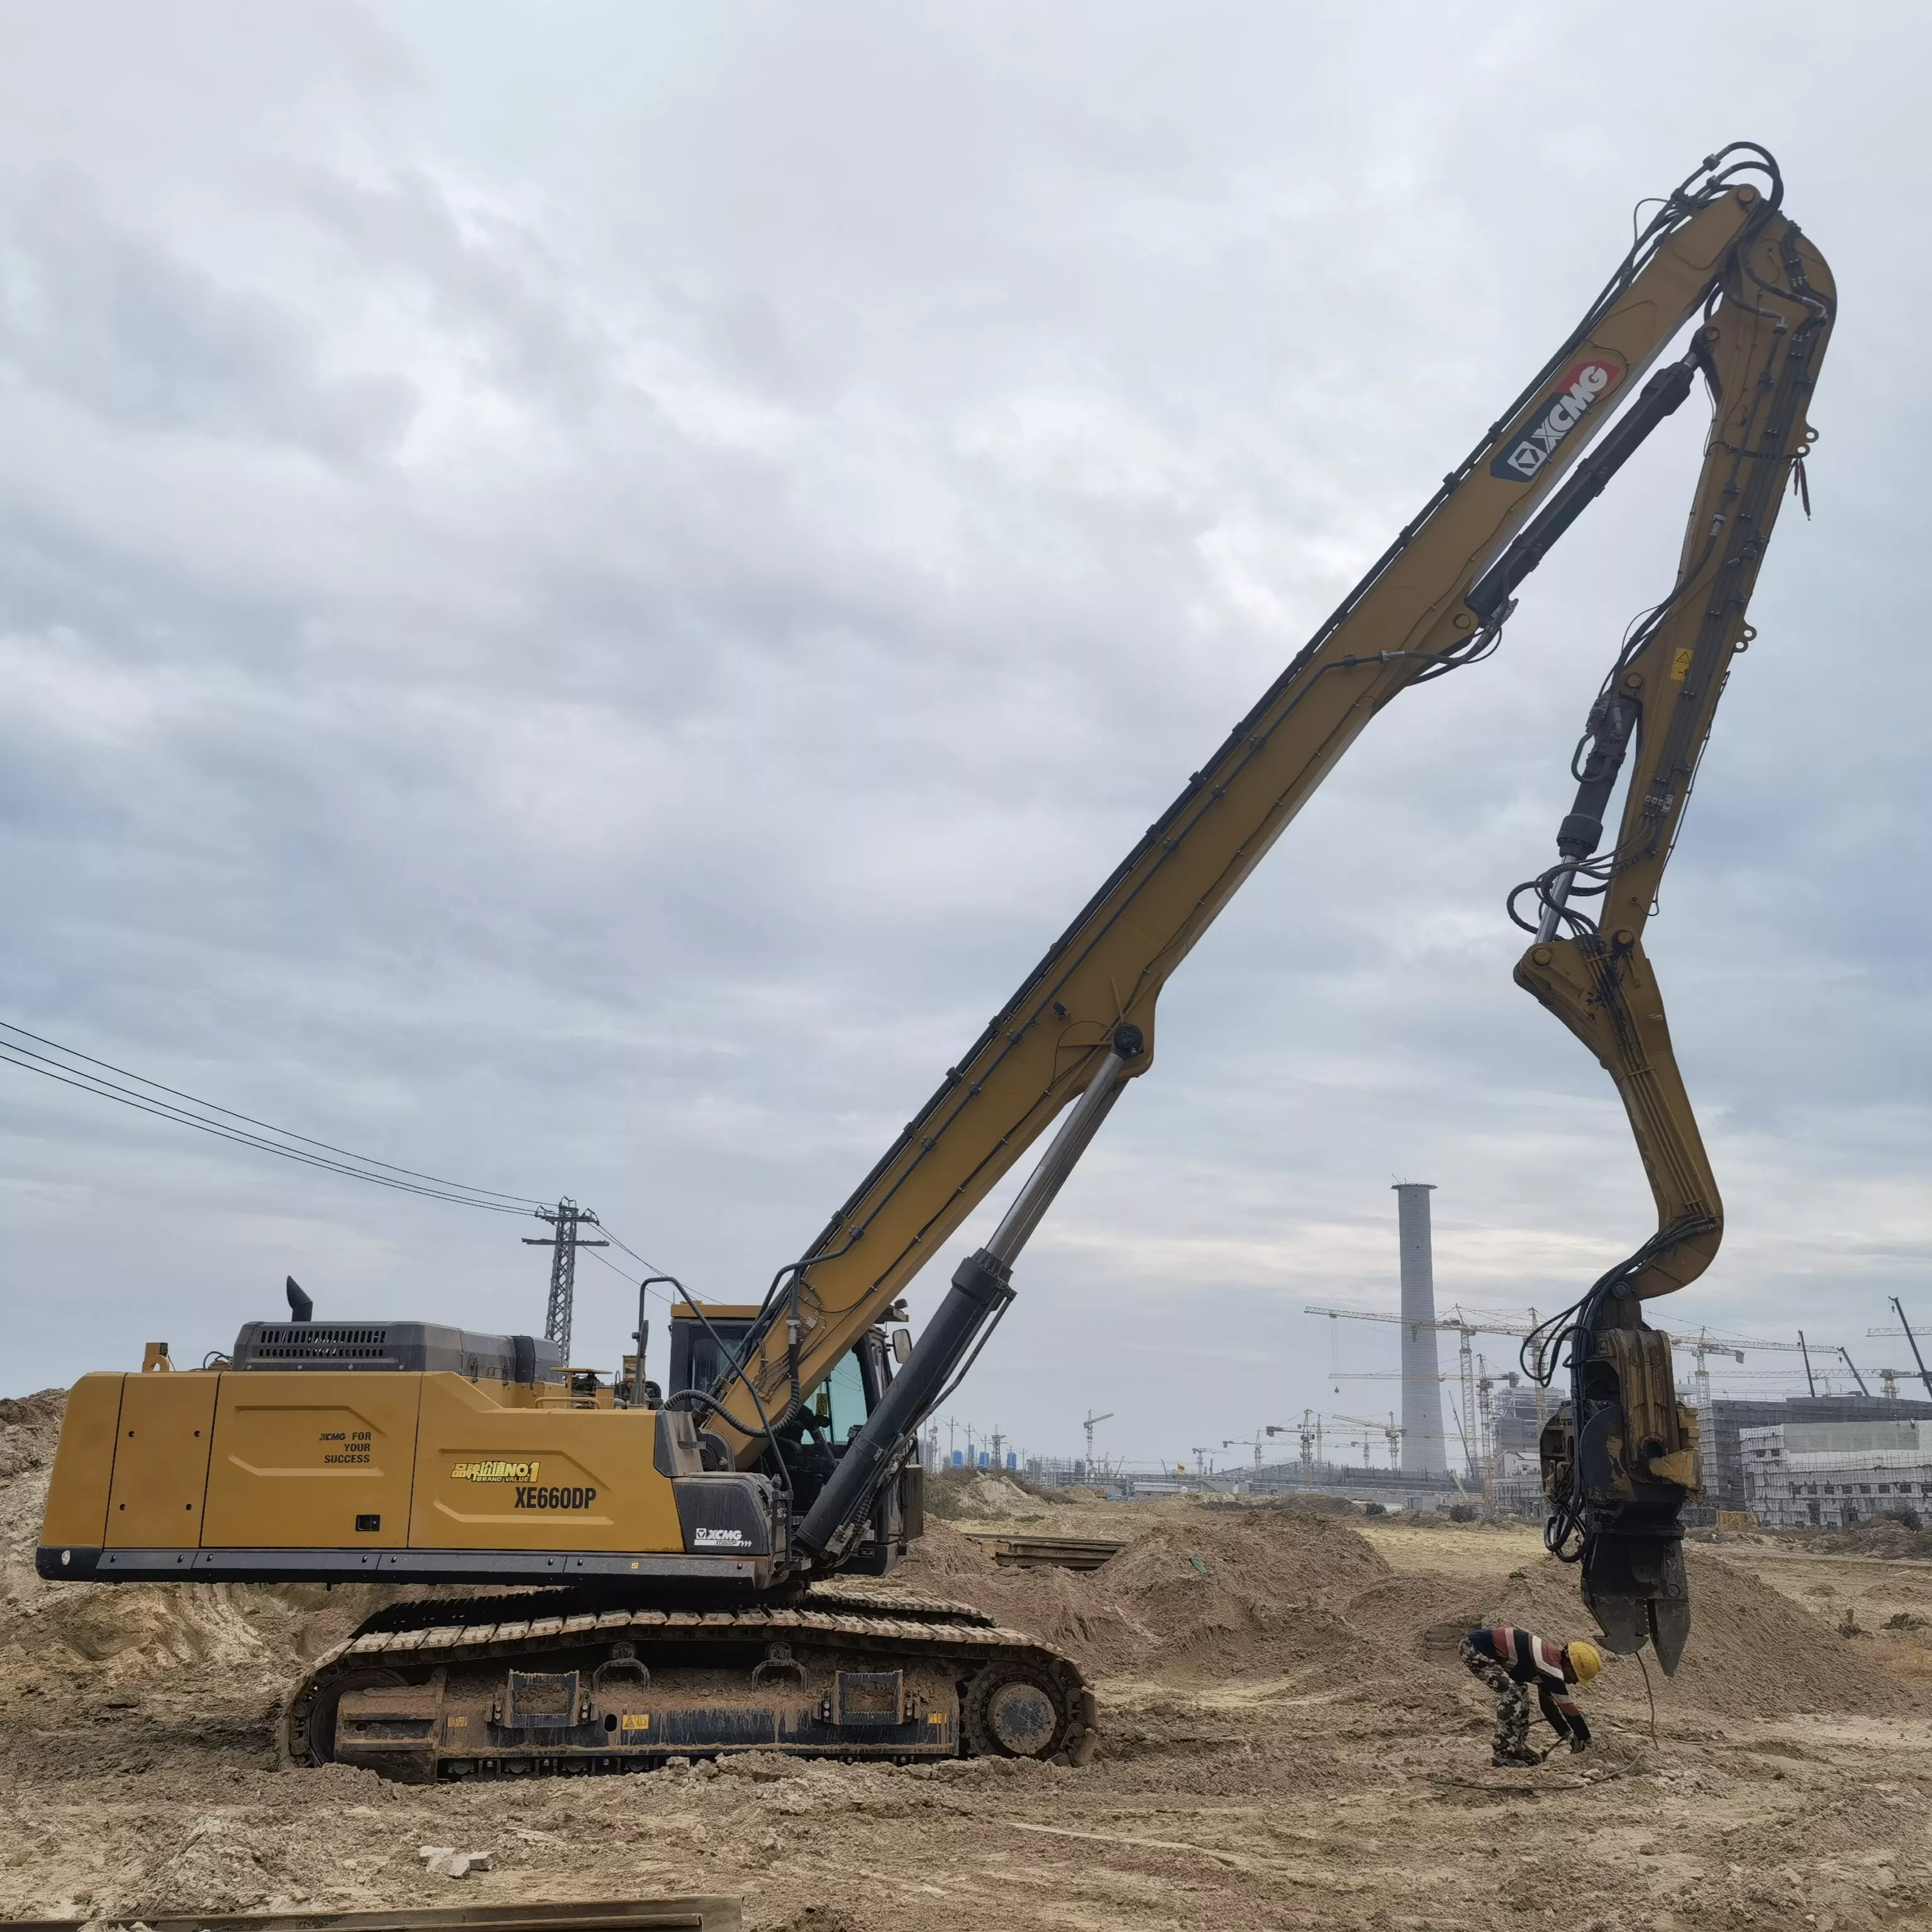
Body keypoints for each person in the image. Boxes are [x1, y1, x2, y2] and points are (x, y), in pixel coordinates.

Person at [1460, 1626, 1601, 1767]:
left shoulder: (1549, 1663)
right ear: (1570, 1666)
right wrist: (1585, 1738)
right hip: (1475, 1648)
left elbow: (1548, 1708)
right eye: (1577, 1677)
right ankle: (1503, 1755)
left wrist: (1568, 1735)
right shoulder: (1551, 1668)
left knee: (1520, 1691)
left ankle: (1516, 1748)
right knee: (1512, 1694)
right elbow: (1569, 1709)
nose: (1575, 1682)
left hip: (1483, 1648)